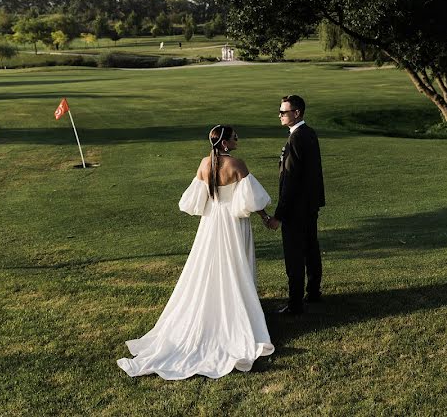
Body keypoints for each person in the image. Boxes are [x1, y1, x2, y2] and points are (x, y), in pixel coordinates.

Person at [117, 125, 277, 380]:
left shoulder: (205, 164)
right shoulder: (237, 164)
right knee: (236, 265)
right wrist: (267, 217)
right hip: (233, 224)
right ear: (224, 143)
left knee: (208, 265)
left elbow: (193, 201)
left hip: (211, 222)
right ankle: (240, 312)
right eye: (234, 137)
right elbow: (253, 201)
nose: (238, 139)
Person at [275, 94, 325, 315]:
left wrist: (280, 213)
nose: (280, 115)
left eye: (284, 112)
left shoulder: (296, 138)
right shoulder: (309, 133)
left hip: (296, 208)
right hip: (310, 205)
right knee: (310, 248)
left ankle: (295, 303)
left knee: (295, 255)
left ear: (296, 113)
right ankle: (313, 291)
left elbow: (291, 179)